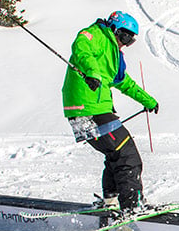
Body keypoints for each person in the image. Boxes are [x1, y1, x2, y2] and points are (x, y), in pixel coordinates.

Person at [61, 11, 158, 215]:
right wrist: (92, 73)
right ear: (114, 29)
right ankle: (133, 206)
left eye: (131, 41)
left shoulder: (114, 55)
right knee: (127, 155)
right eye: (125, 37)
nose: (126, 43)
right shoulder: (96, 35)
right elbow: (82, 49)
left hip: (91, 109)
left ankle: (111, 201)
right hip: (88, 106)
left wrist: (147, 100)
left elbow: (123, 82)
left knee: (115, 154)